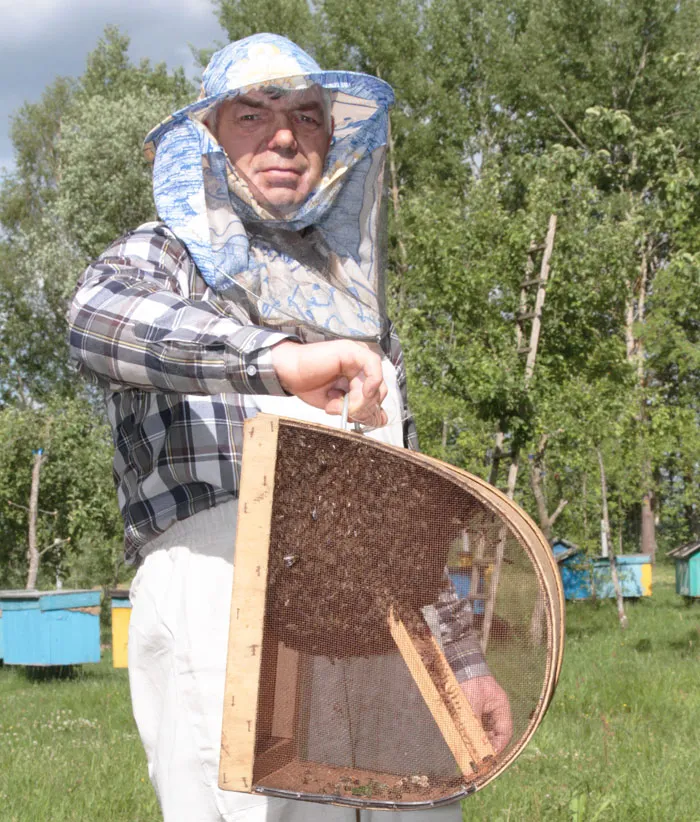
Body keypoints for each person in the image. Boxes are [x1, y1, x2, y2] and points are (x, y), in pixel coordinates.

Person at [68, 33, 512, 822]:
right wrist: (274, 359)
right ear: (207, 138)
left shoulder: (352, 298)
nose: (283, 137)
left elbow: (397, 505)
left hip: (378, 611)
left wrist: (462, 662)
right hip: (221, 586)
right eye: (252, 115)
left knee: (414, 807)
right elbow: (96, 320)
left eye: (307, 118)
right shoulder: (165, 255)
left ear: (332, 142)